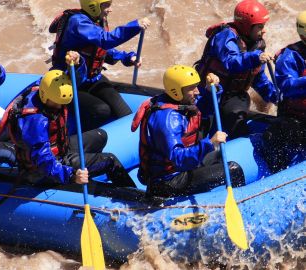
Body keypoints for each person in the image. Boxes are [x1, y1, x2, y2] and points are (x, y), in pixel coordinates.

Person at [0, 52, 135, 186]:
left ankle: (88, 175)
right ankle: (133, 199)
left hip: (61, 148)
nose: (60, 106)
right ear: (44, 95)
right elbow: (44, 161)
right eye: (56, 102)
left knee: (100, 136)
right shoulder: (36, 121)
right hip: (47, 168)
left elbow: (74, 80)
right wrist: (71, 175)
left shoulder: (48, 87)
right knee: (109, 160)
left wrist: (78, 64)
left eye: (63, 102)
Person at [131, 65, 245, 198]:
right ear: (176, 91)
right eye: (191, 88)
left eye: (196, 86)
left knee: (217, 155)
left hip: (180, 171)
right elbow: (178, 158)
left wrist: (209, 90)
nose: (197, 91)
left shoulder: (178, 103)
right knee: (233, 170)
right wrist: (209, 143)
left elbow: (201, 111)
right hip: (168, 182)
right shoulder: (168, 120)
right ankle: (241, 205)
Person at [49, 0, 151, 131]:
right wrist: (135, 26)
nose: (110, 9)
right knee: (101, 111)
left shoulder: (96, 20)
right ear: (93, 6)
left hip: (92, 78)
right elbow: (105, 40)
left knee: (124, 113)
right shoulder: (78, 22)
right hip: (69, 81)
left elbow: (99, 50)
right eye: (106, 5)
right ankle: (79, 141)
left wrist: (127, 57)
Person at [195, 0, 277, 139]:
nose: (264, 30)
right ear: (246, 26)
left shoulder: (257, 45)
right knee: (200, 126)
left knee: (238, 121)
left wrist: (277, 97)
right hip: (209, 92)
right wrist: (256, 57)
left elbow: (258, 78)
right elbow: (231, 62)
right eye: (260, 26)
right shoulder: (225, 36)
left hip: (233, 96)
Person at [262, 10, 306, 173]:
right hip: (295, 119)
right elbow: (287, 85)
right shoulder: (290, 56)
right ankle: (278, 171)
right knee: (283, 134)